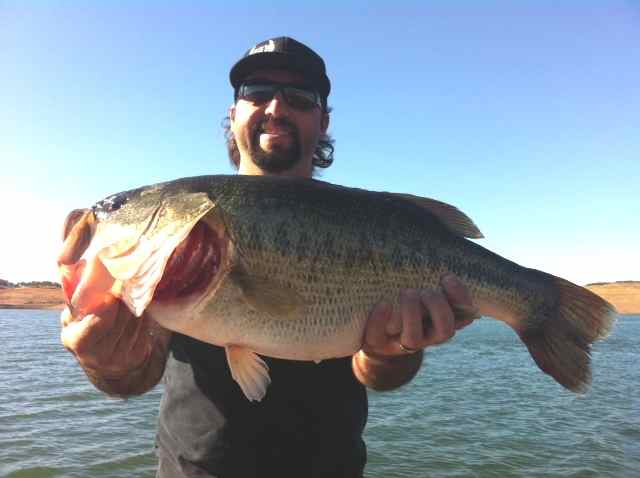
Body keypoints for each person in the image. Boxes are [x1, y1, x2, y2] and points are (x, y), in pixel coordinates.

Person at [60, 36, 478, 478]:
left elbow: (379, 374)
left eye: (299, 98)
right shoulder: (171, 253)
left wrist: (391, 353)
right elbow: (132, 377)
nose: (276, 108)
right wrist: (105, 361)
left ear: (323, 121)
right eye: (256, 94)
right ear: (233, 113)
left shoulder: (368, 220)